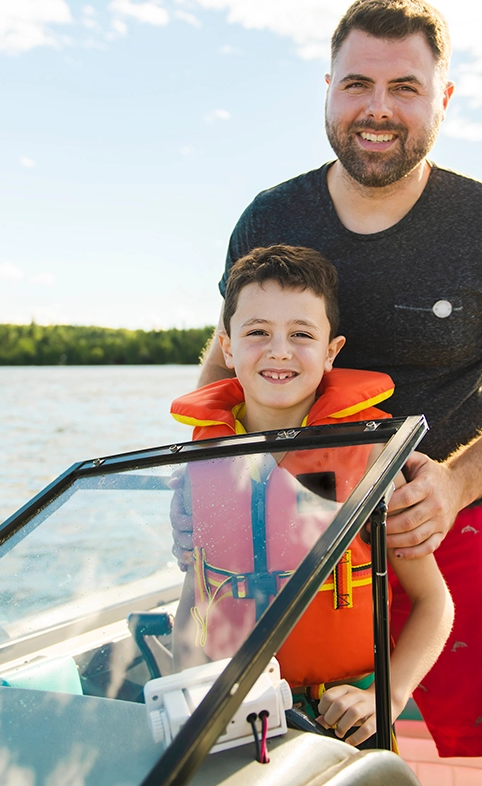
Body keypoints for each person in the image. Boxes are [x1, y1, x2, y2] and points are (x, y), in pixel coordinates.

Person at [195, 0, 482, 786]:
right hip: (298, 540)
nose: (378, 110)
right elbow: (220, 371)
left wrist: (456, 483)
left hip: (457, 519)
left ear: (442, 98)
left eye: (405, 87)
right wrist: (206, 507)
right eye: (357, 85)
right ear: (329, 89)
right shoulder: (271, 217)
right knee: (286, 760)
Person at [170, 244, 454, 747]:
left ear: (331, 351)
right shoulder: (203, 461)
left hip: (344, 718)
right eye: (257, 332)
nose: (279, 350)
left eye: (301, 334)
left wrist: (387, 697)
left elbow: (435, 602)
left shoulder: (368, 460)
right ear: (227, 347)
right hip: (233, 714)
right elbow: (197, 595)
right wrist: (186, 694)